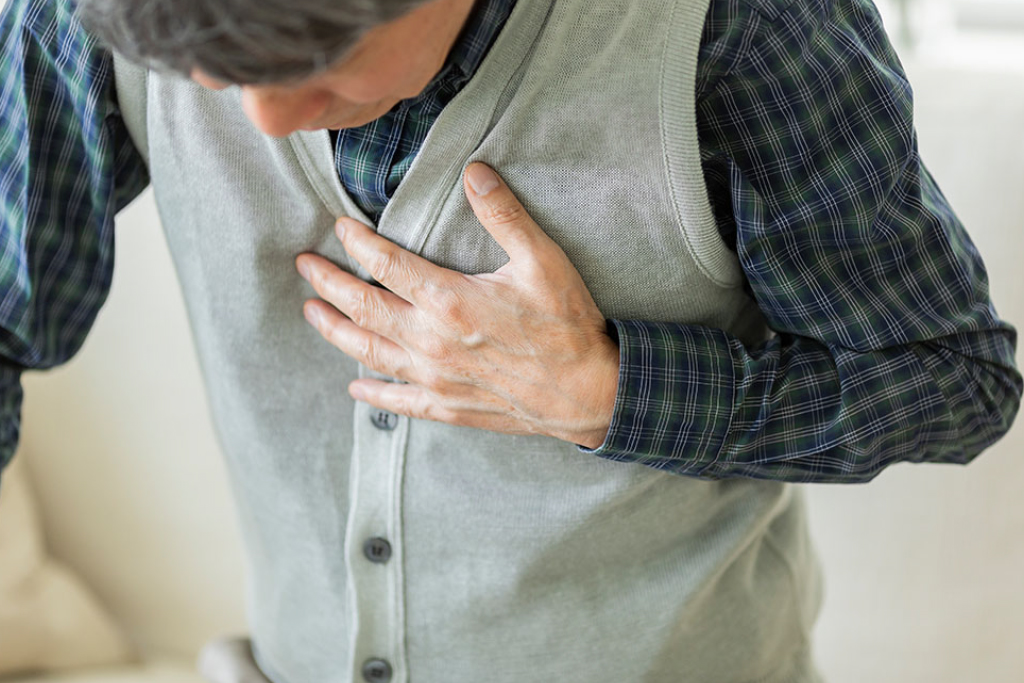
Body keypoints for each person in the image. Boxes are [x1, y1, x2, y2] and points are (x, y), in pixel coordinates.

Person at [1, 0, 1020, 681]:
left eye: (315, 58)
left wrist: (607, 390)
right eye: (204, 70)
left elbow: (947, 378)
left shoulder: (743, 27)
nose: (263, 116)